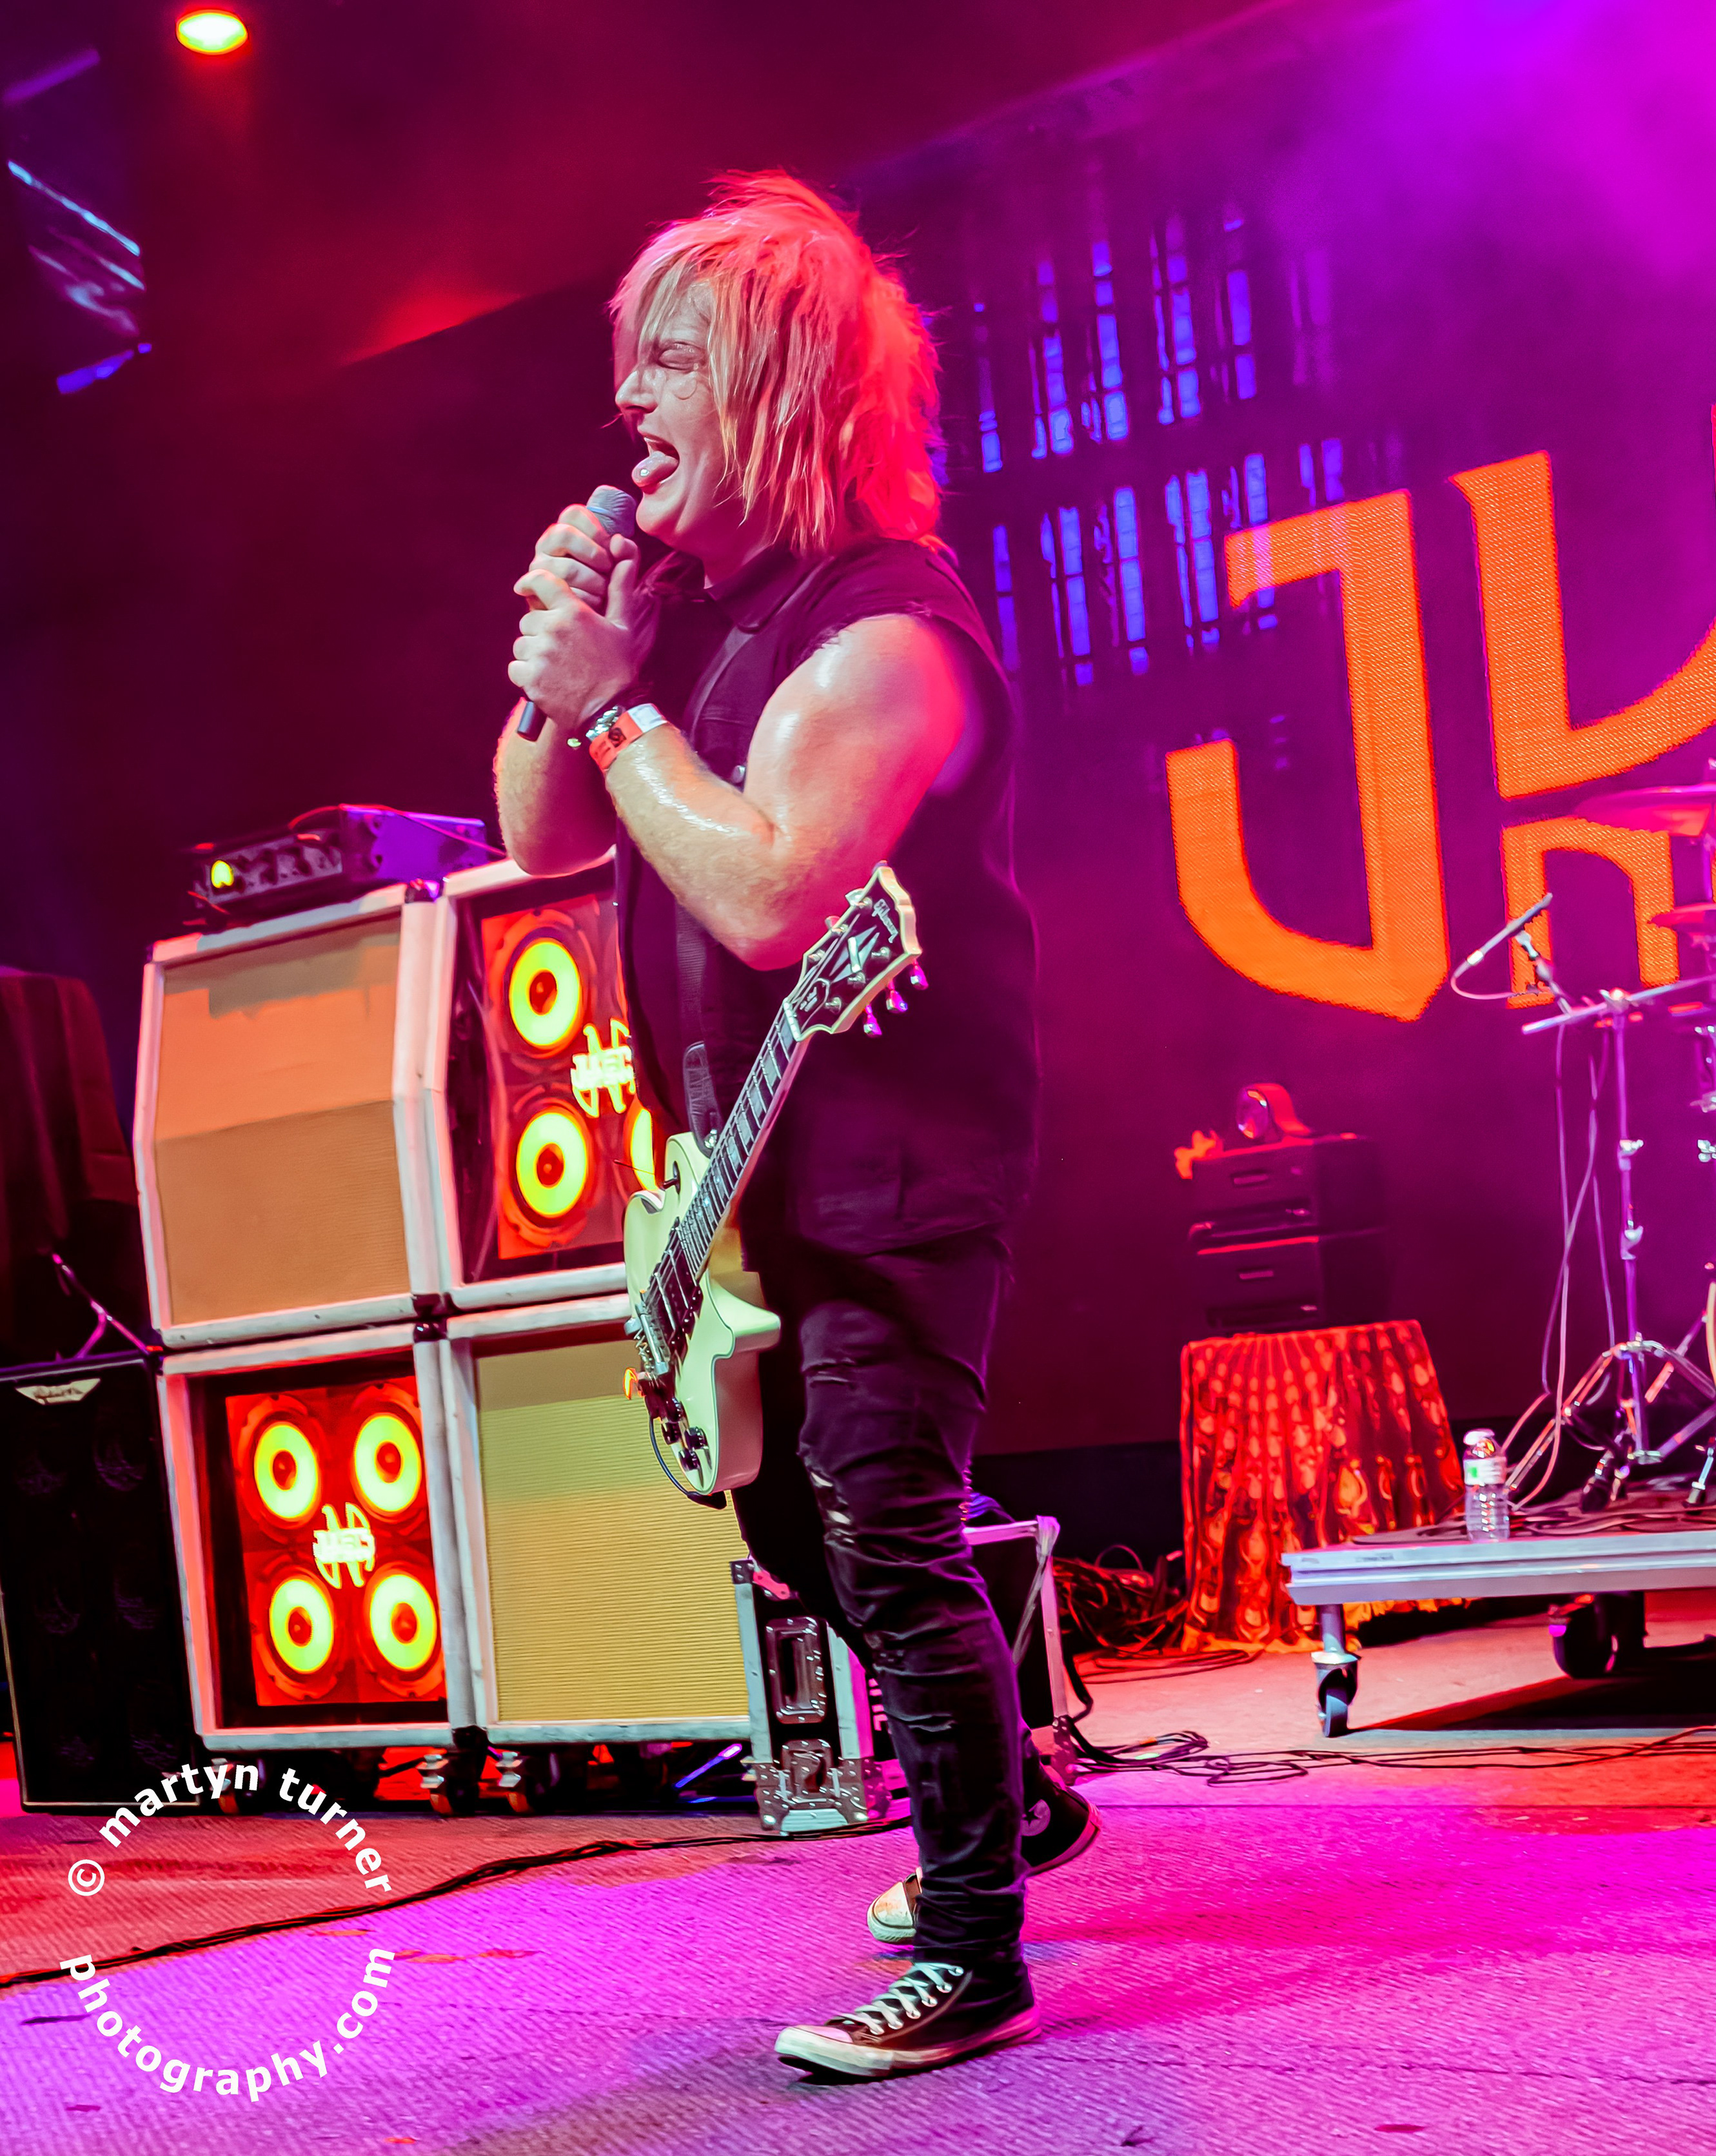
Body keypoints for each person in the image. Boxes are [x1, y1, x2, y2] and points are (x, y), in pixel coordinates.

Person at [493, 170, 1093, 2079]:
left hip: (899, 1161)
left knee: (882, 1519)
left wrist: (619, 716)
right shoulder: (695, 625)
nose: (631, 403)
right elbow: (539, 838)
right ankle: (1012, 1787)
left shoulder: (887, 634)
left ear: (776, 387)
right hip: (741, 1166)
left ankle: (976, 1950)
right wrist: (573, 665)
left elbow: (769, 899)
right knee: (789, 1518)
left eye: (671, 361)